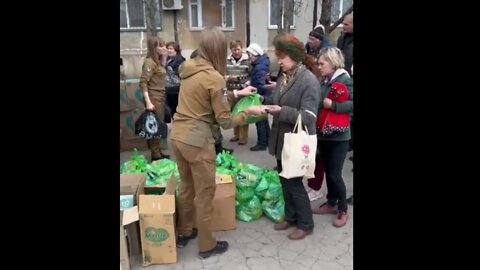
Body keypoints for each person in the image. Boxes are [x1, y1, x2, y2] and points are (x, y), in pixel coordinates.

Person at [170, 26, 265, 259]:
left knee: (186, 188)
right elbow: (224, 121)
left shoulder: (189, 70)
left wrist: (237, 94)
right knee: (204, 193)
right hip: (197, 140)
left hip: (177, 136)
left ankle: (185, 231)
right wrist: (250, 112)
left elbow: (205, 100)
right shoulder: (214, 77)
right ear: (218, 49)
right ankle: (207, 245)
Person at [263, 33, 321, 240]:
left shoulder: (309, 81)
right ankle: (291, 216)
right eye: (278, 56)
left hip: (296, 143)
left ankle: (306, 224)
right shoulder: (285, 76)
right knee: (284, 180)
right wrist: (264, 101)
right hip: (282, 140)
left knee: (295, 184)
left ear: (296, 57)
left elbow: (309, 116)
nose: (279, 61)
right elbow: (277, 98)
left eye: (283, 57)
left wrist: (280, 110)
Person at [312, 47, 353, 228]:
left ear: (333, 63)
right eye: (318, 63)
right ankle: (331, 202)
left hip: (339, 136)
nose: (319, 67)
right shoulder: (325, 80)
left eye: (322, 63)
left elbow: (351, 104)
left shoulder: (345, 79)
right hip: (324, 133)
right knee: (328, 171)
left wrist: (334, 105)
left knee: (335, 174)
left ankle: (342, 208)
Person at [139, 36, 170, 161]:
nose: (164, 48)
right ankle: (155, 155)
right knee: (154, 127)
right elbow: (143, 82)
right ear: (154, 47)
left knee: (158, 126)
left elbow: (161, 70)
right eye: (161, 46)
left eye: (164, 45)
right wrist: (148, 102)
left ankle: (158, 152)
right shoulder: (150, 62)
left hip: (160, 97)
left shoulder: (157, 61)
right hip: (153, 98)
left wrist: (164, 55)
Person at [245, 43, 271, 151]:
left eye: (250, 54)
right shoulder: (261, 64)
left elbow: (260, 84)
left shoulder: (259, 67)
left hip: (260, 96)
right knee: (263, 120)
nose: (248, 57)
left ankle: (262, 143)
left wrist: (251, 87)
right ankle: (268, 140)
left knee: (259, 120)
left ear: (255, 54)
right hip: (264, 95)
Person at [226, 40, 250, 145]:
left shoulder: (247, 60)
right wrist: (228, 78)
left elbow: (251, 75)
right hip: (231, 91)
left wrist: (248, 83)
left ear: (242, 48)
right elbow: (222, 74)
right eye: (234, 49)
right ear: (231, 50)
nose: (236, 51)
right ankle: (236, 135)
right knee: (234, 114)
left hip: (243, 90)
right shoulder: (226, 60)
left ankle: (243, 137)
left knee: (243, 113)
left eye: (238, 49)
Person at [165, 42, 186, 119]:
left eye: (171, 49)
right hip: (168, 88)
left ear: (176, 50)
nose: (169, 50)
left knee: (175, 109)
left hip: (175, 89)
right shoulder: (167, 59)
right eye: (168, 48)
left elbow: (179, 74)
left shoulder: (179, 60)